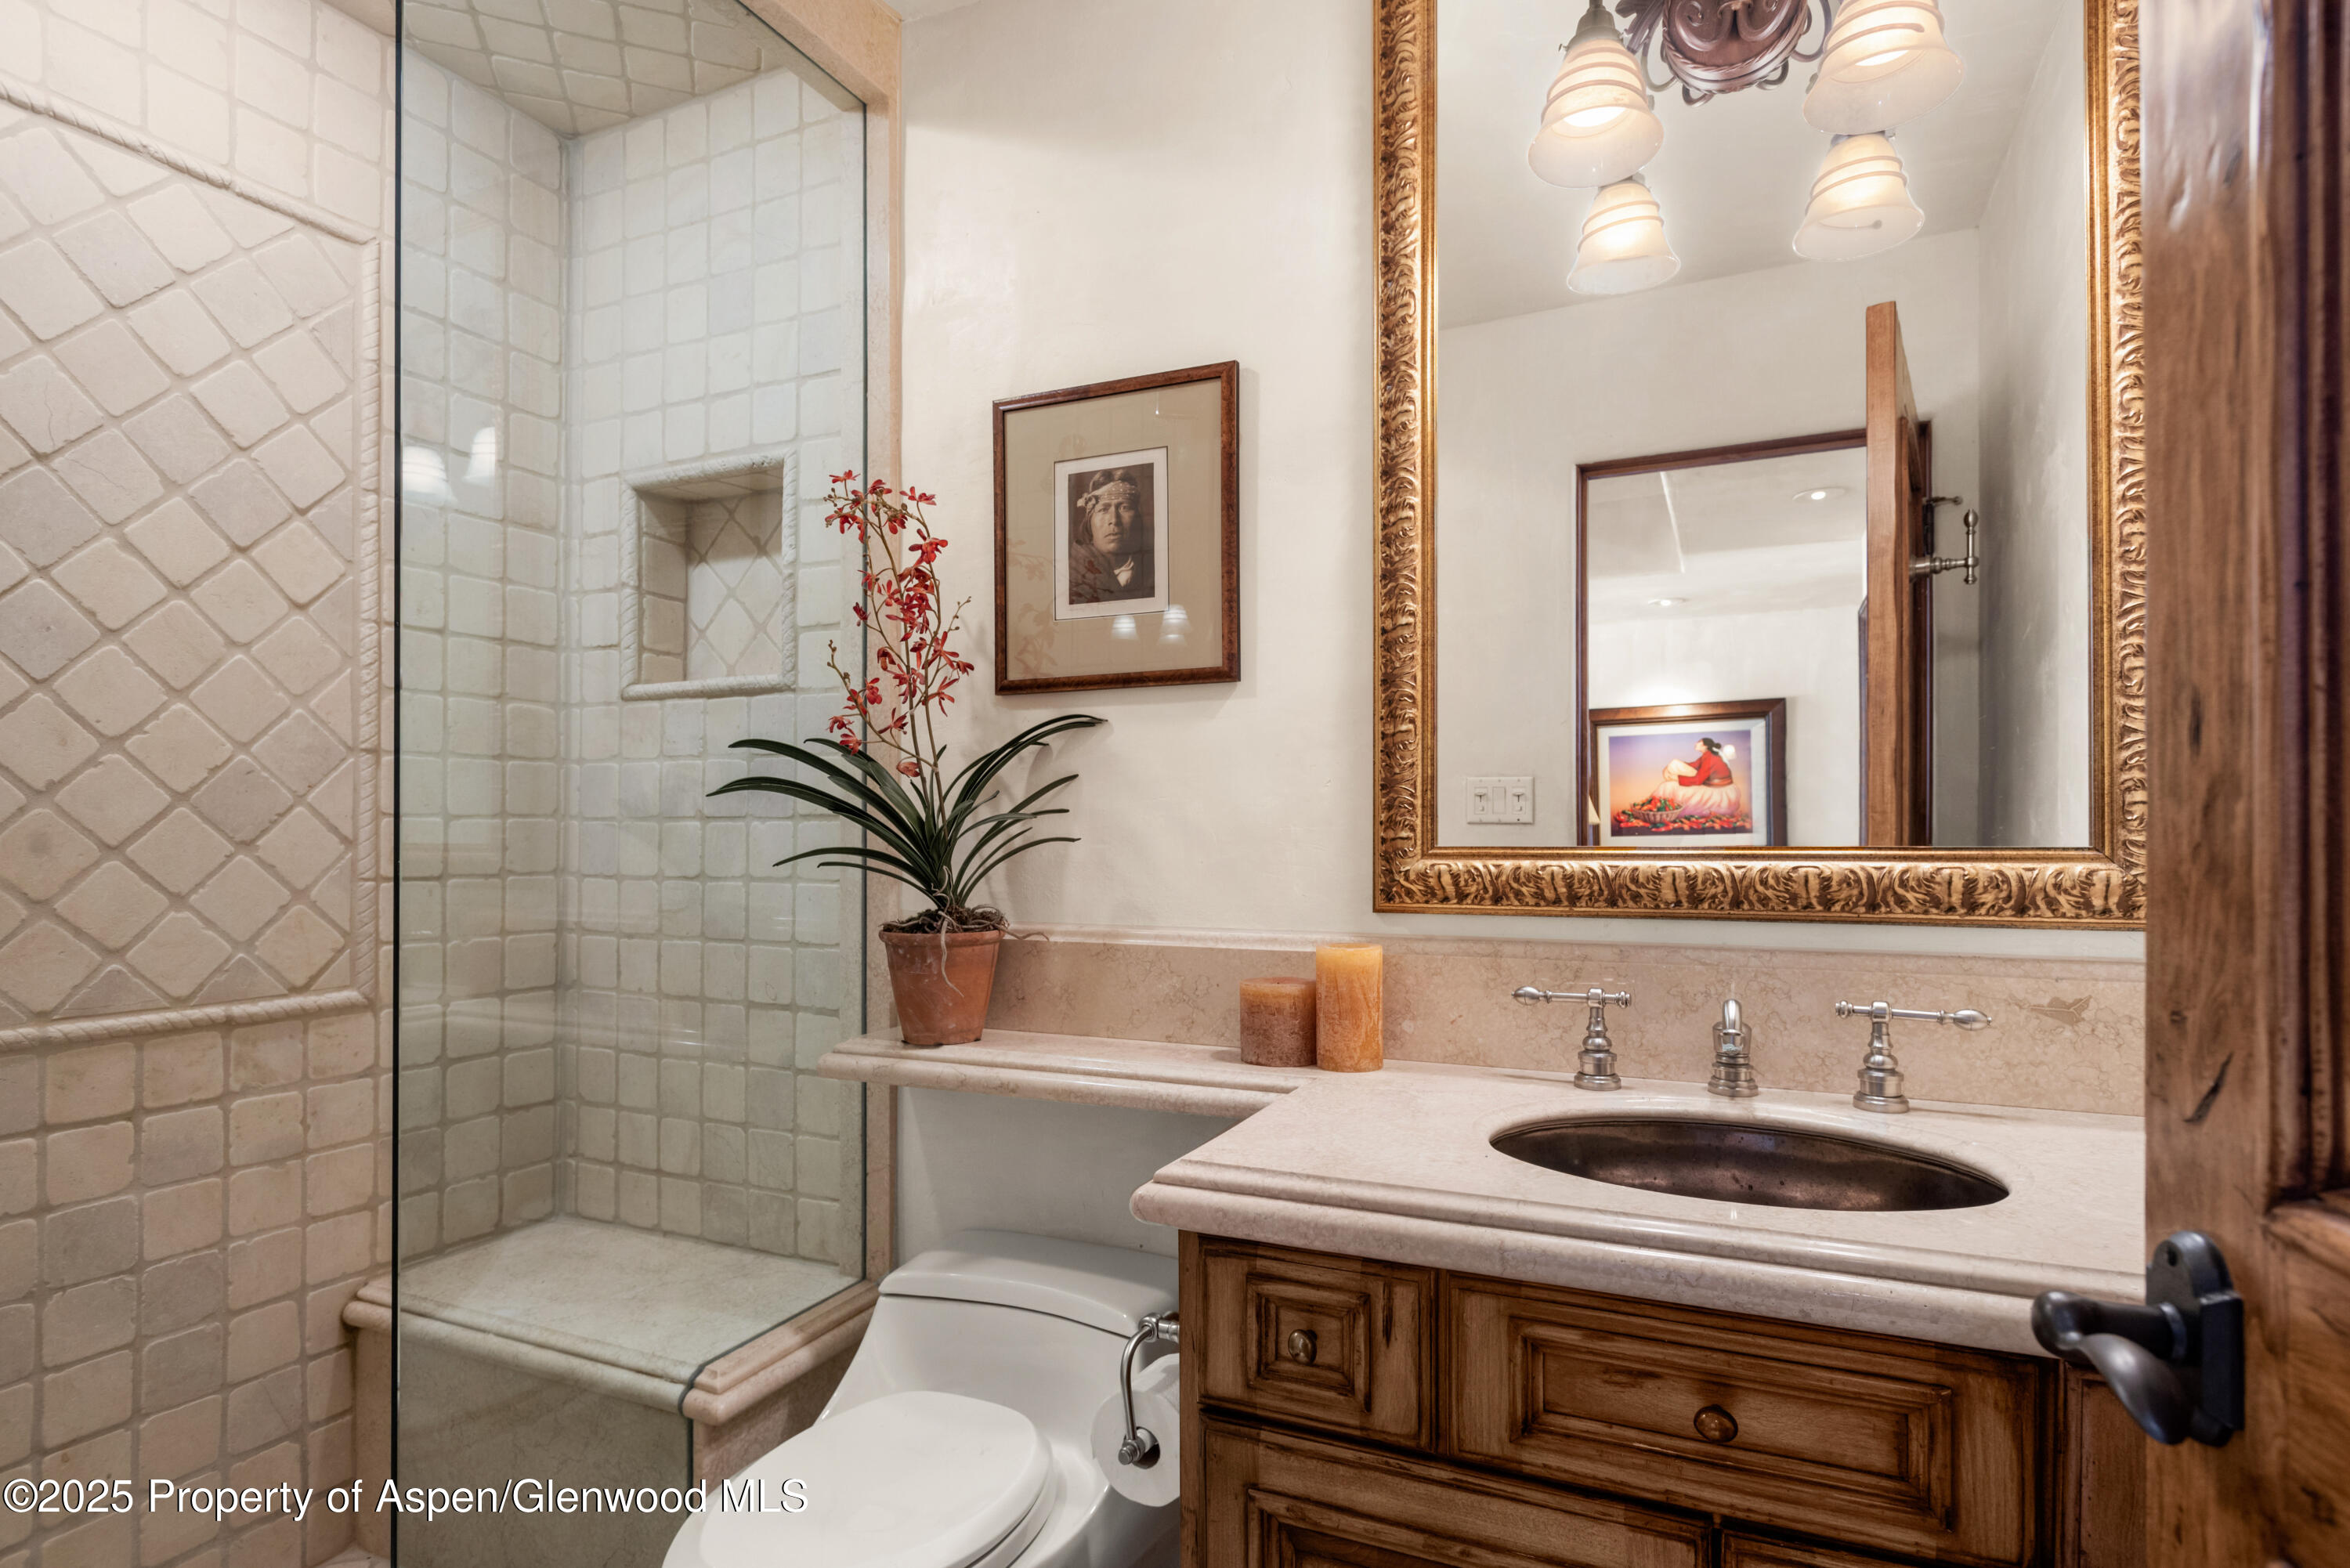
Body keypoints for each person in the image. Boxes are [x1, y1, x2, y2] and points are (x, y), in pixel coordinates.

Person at [1066, 468, 1155, 605]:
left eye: (1124, 508)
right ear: (1090, 522)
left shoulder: (1155, 572)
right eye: (1103, 509)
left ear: (1137, 519)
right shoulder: (1069, 576)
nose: (1114, 520)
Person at [1658, 737, 1743, 819]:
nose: (1696, 743)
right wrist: (1676, 765)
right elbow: (1694, 765)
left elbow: (1698, 780)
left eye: (1699, 742)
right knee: (1674, 766)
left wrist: (1677, 778)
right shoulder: (1707, 755)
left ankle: (1662, 813)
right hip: (1710, 786)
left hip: (1719, 792)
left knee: (1670, 786)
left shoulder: (1711, 758)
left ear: (1705, 746)